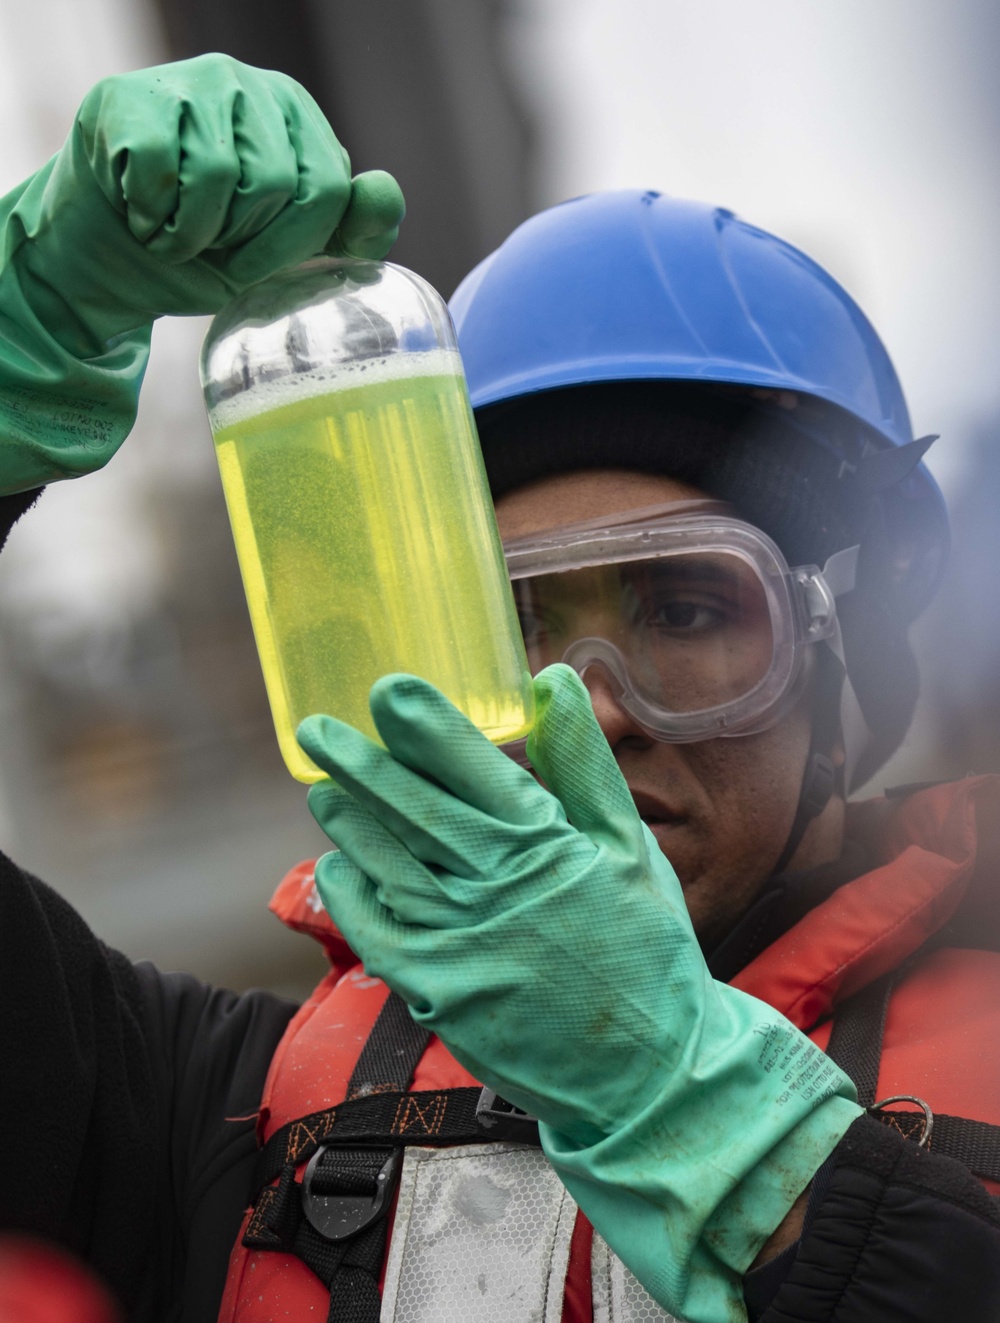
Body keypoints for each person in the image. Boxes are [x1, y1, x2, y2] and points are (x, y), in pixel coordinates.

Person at [0, 53, 998, 1323]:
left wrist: (715, 1123)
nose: (594, 709)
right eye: (503, 623)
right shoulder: (218, 1115)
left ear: (840, 642)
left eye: (690, 610)